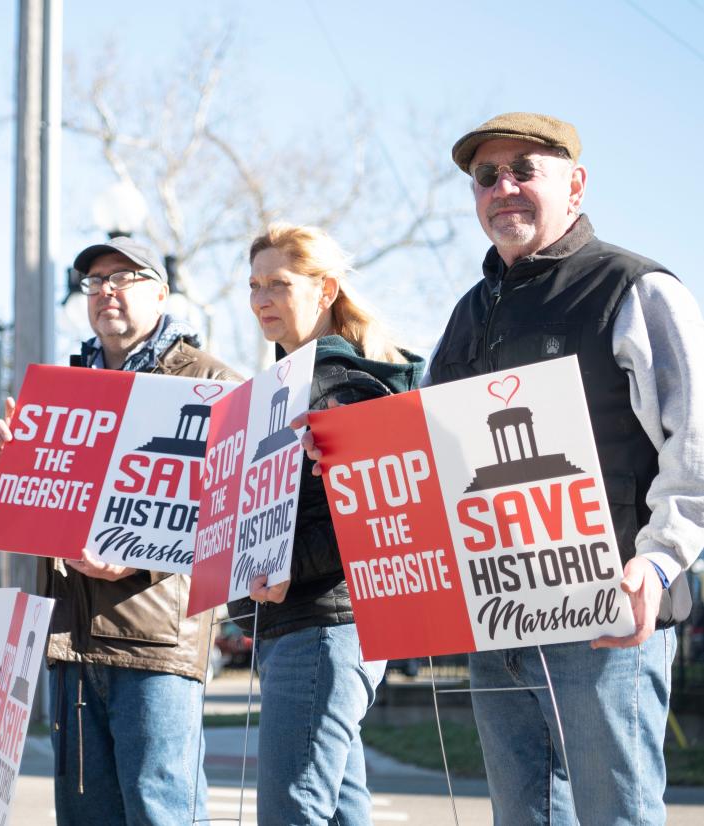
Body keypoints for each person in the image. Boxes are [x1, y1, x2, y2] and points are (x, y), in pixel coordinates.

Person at [426, 112, 703, 824]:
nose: (503, 187)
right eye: (486, 176)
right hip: (496, 621)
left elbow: (694, 445)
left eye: (525, 170)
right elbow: (429, 460)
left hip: (608, 621)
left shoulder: (634, 289)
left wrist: (660, 563)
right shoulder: (465, 315)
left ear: (574, 185)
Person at [0, 237, 242, 826]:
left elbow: (230, 509)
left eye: (124, 277)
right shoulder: (63, 391)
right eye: (95, 281)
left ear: (161, 291)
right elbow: (45, 512)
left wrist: (140, 561)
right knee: (85, 817)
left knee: (162, 812)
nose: (106, 291)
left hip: (155, 641)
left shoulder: (211, 382)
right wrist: (12, 470)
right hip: (70, 640)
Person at [228, 224, 423, 826]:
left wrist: (286, 563)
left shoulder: (342, 387)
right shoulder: (276, 390)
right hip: (306, 626)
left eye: (279, 285)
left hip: (329, 625)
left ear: (325, 290)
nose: (261, 299)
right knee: (338, 811)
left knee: (293, 810)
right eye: (254, 285)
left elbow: (375, 517)